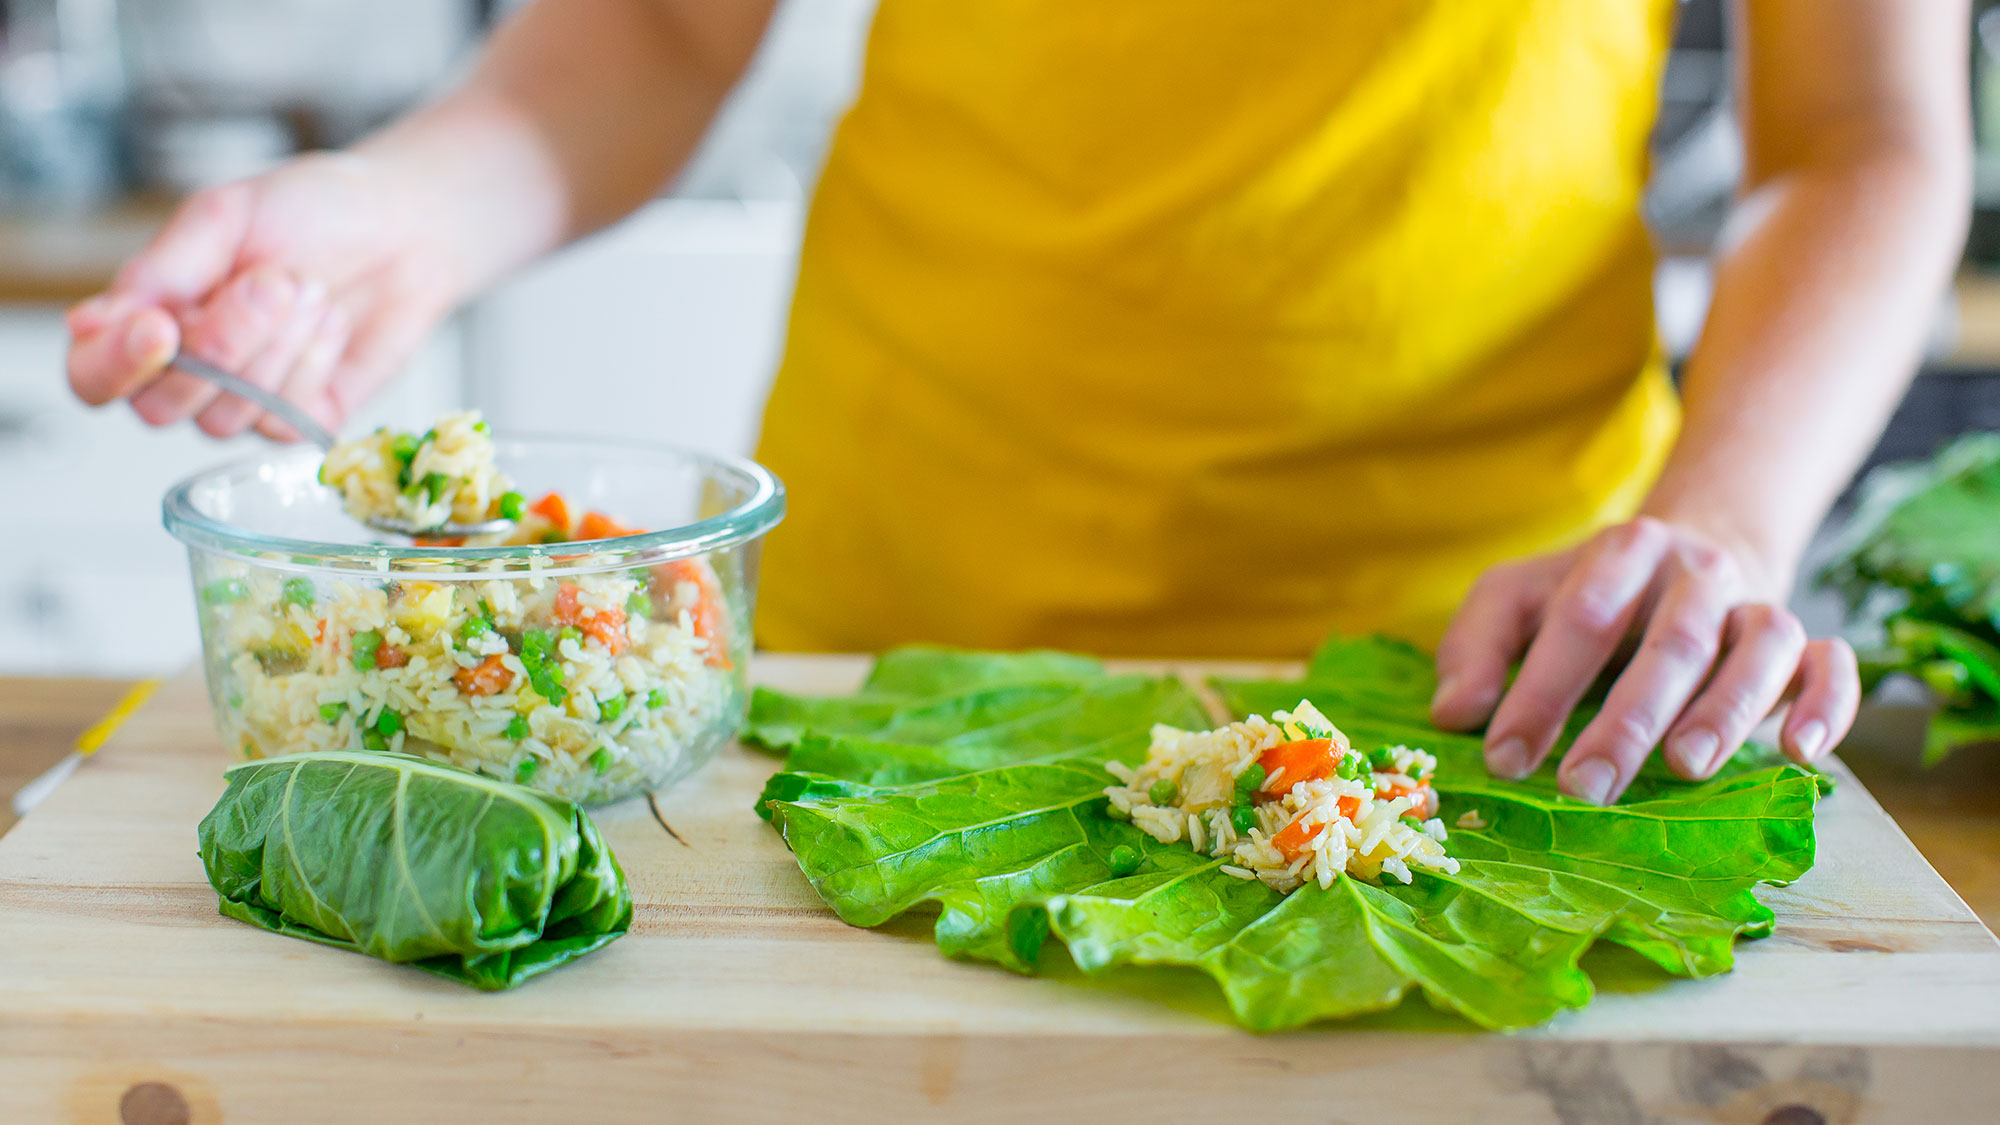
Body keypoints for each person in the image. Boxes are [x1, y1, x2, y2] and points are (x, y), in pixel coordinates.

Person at [65, 1, 1969, 805]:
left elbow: (1865, 136)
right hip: (880, 666)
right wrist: (393, 219)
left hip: (1490, 681)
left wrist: (1723, 524)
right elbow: (654, 30)